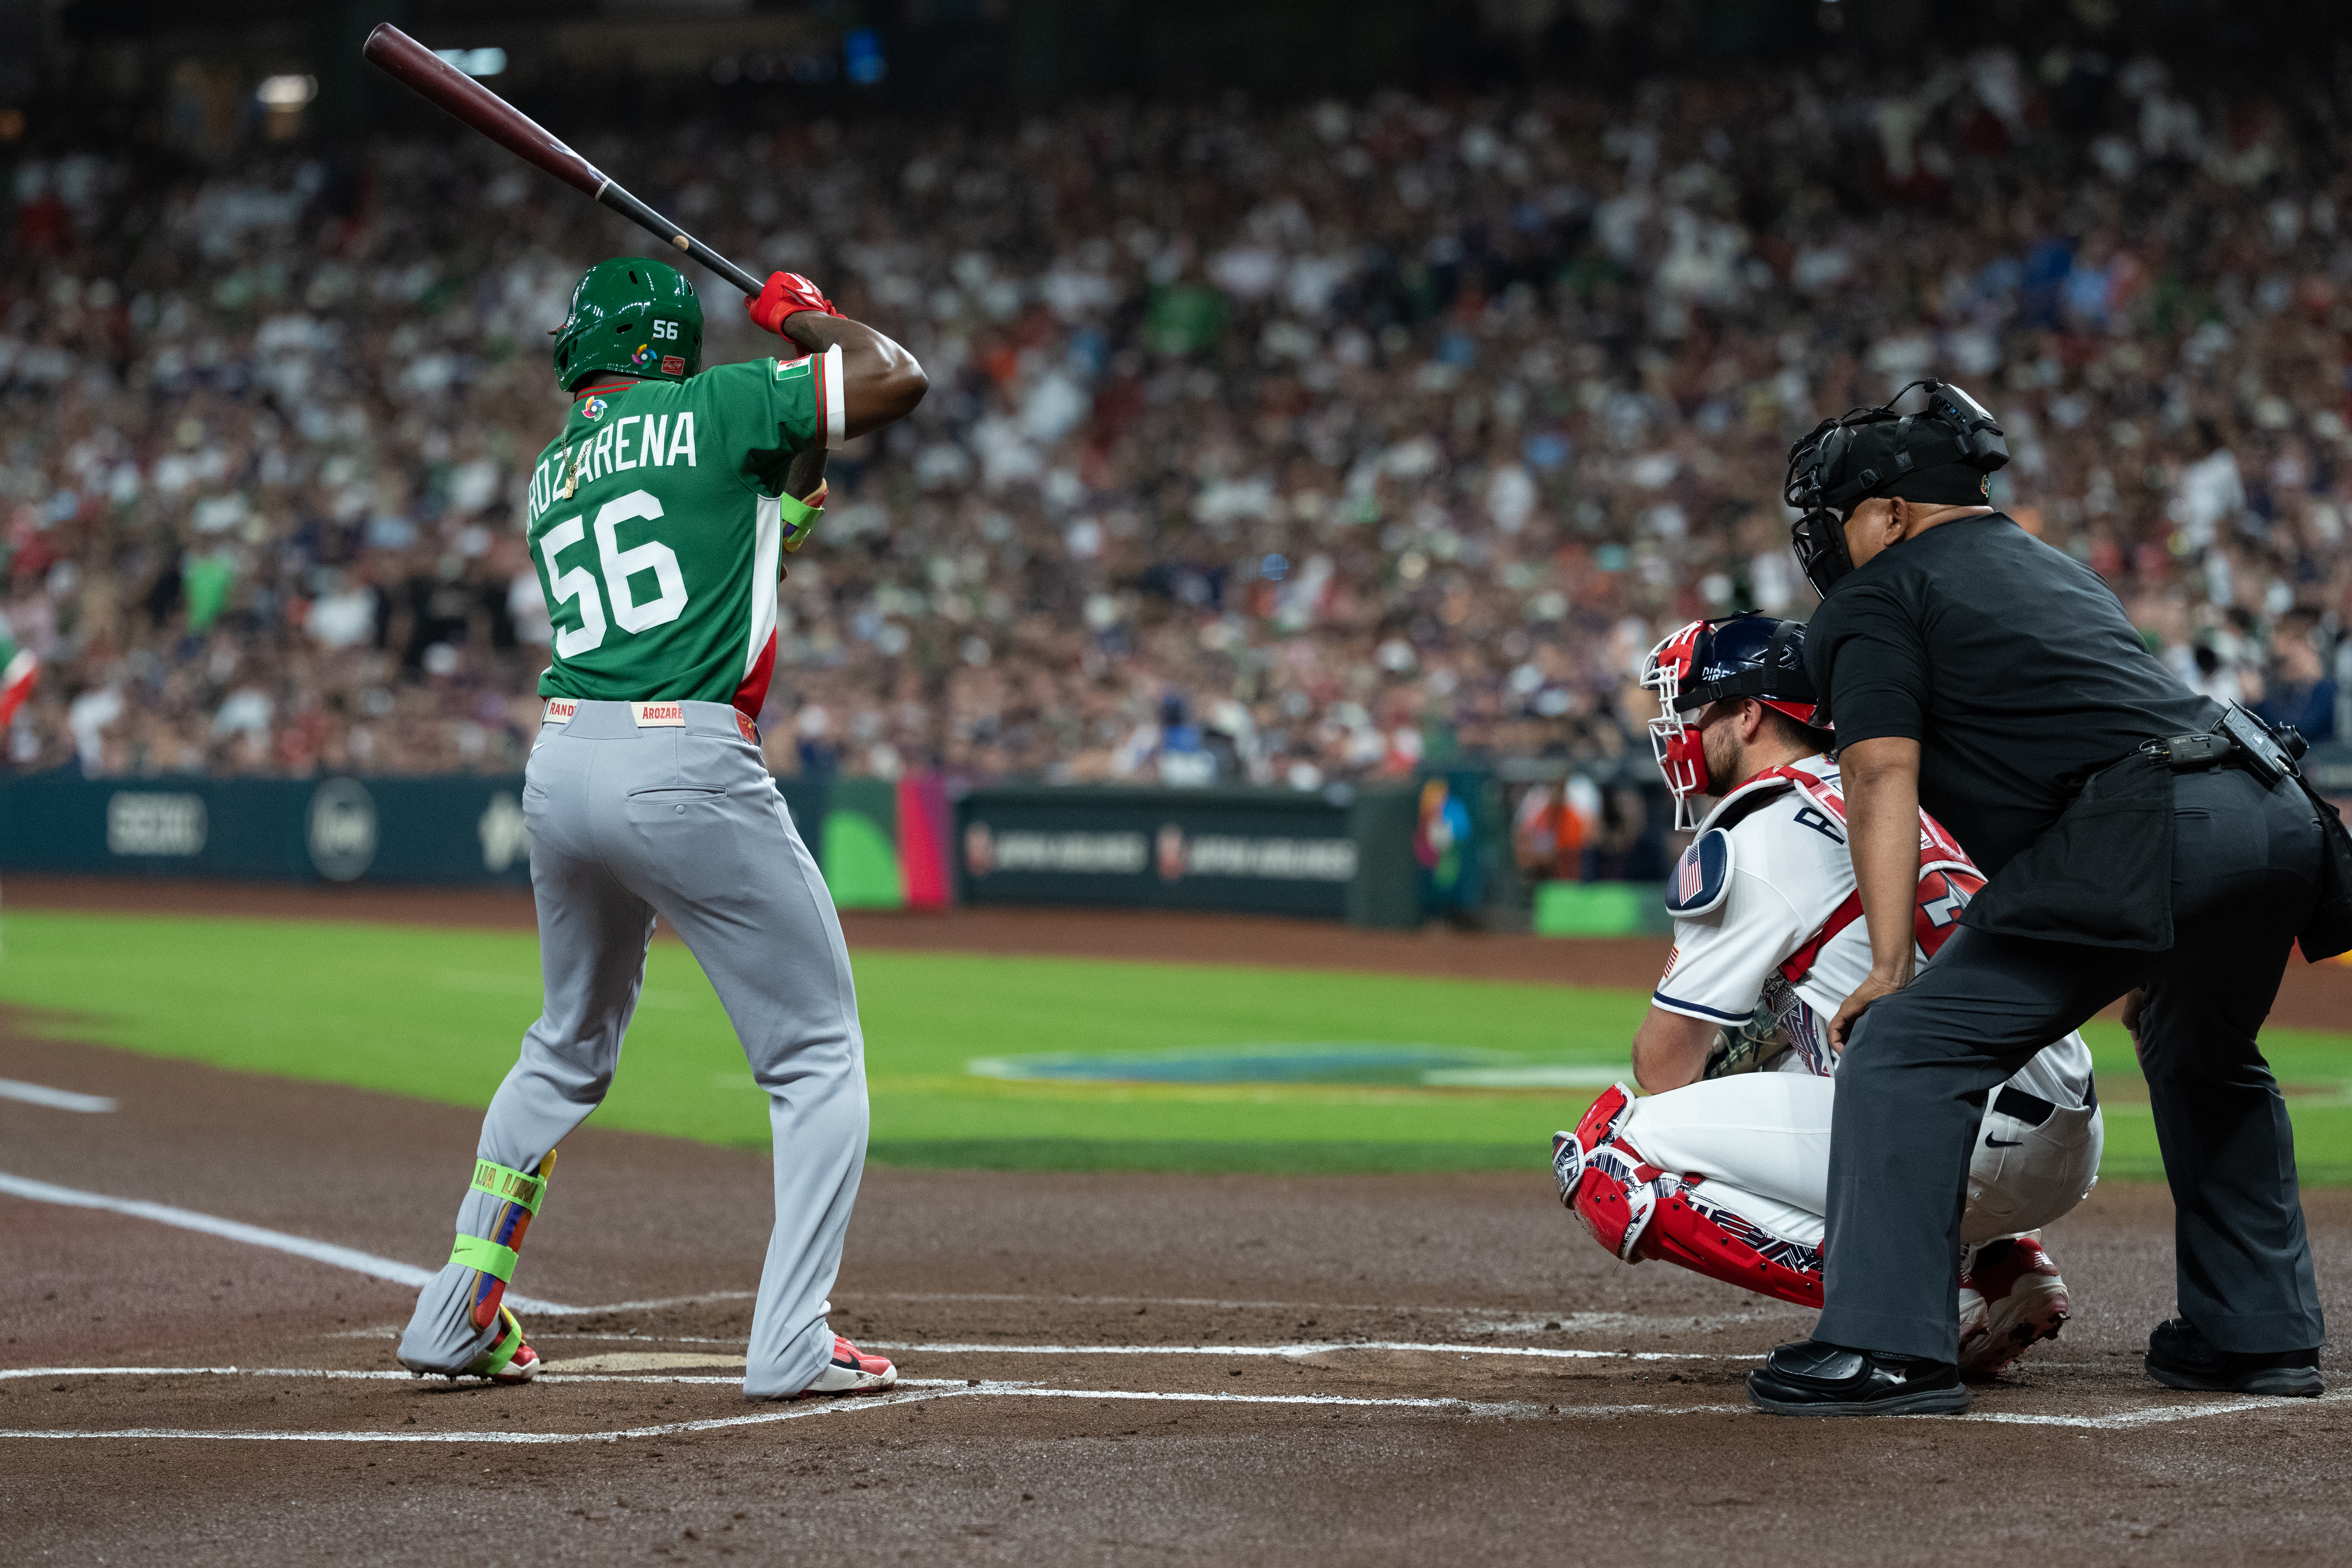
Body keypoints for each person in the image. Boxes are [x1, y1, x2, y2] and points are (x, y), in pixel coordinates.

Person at [1747, 382, 2341, 1416]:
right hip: (2278, 808)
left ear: (1888, 513)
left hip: (2153, 825)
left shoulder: (1874, 596)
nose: (1829, 538)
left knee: (1909, 1045)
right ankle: (2256, 1335)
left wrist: (1891, 969)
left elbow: (1881, 773)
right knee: (2201, 1050)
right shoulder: (2050, 565)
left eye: (1837, 514)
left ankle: (1891, 1351)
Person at [394, 259, 926, 1399]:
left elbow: (772, 514)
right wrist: (798, 318)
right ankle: (792, 1338)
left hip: (562, 762)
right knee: (819, 1055)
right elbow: (895, 376)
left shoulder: (555, 471)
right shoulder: (717, 406)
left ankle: (459, 1311)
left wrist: (799, 386)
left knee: (566, 1048)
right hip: (684, 760)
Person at [1550, 616, 2103, 1379]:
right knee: (1833, 1060)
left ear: (1748, 714)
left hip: (1961, 1134)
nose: (1681, 731)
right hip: (2060, 1119)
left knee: (1610, 1154)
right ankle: (2009, 1268)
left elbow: (1665, 1066)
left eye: (1698, 710)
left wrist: (1736, 1053)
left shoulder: (1751, 827)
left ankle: (1921, 1299)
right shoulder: (1890, 788)